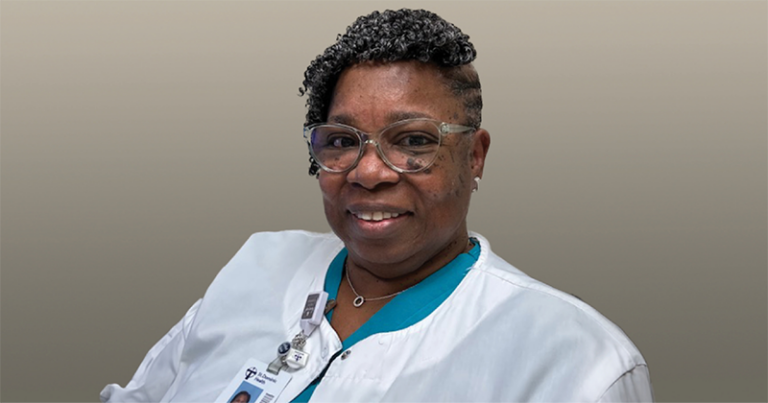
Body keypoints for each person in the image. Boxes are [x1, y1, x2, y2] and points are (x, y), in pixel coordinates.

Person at [100, 8, 654, 403]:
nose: (368, 172)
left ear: (476, 157)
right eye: (341, 141)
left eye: (414, 141)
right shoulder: (257, 267)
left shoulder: (576, 361)